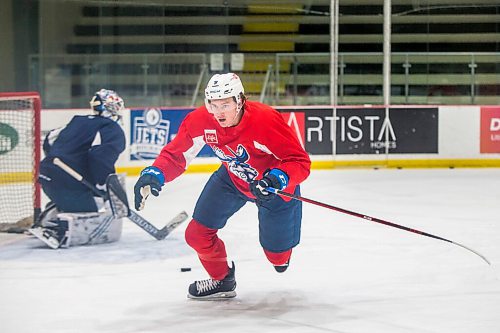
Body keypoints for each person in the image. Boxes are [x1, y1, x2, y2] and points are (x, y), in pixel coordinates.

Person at [134, 73, 311, 300]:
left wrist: (276, 179)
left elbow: (299, 161)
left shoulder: (265, 120)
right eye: (213, 104)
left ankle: (279, 255)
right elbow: (176, 155)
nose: (218, 112)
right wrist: (155, 173)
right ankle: (222, 280)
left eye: (225, 104)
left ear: (240, 101)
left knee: (278, 257)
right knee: (197, 234)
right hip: (232, 179)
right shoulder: (201, 120)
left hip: (272, 188)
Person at [30, 89, 126, 249]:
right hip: (68, 179)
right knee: (90, 211)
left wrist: (61, 160)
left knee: (82, 196)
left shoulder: (77, 121)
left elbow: (49, 139)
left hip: (47, 173)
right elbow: (99, 157)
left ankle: (47, 218)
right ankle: (56, 228)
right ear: (112, 107)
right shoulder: (111, 128)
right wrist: (105, 184)